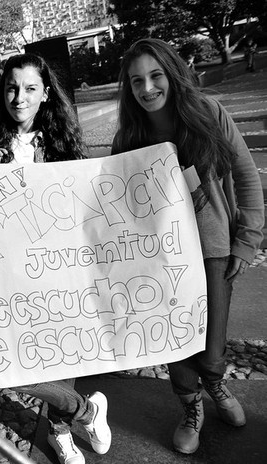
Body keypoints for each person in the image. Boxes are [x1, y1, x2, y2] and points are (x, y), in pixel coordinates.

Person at [111, 38, 264, 455]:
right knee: (173, 340)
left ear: (172, 74)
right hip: (158, 261)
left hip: (213, 249)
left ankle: (215, 381)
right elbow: (115, 207)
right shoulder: (128, 138)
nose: (147, 88)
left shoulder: (209, 113)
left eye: (155, 75)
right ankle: (190, 406)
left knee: (212, 341)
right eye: (137, 80)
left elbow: (247, 176)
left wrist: (247, 239)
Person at [0, 53, 112, 464]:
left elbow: (84, 205)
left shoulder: (62, 143)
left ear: (46, 94)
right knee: (8, 365)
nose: (19, 97)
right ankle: (84, 410)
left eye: (30, 88)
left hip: (61, 270)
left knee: (62, 354)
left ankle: (58, 432)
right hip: (12, 274)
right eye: (12, 88)